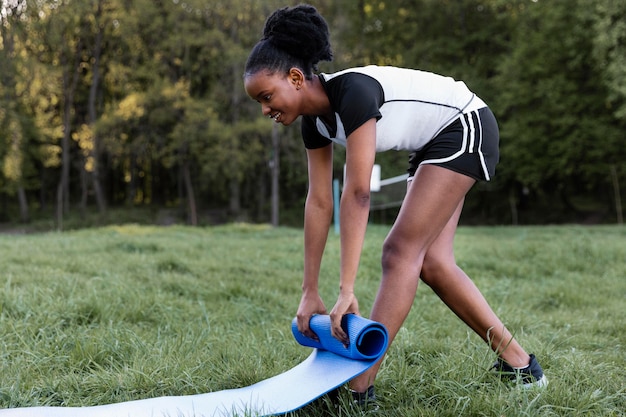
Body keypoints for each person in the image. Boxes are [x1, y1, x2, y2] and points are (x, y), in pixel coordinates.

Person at [243, 4, 547, 406]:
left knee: (400, 252)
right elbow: (319, 203)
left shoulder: (352, 92)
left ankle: (358, 389)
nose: (265, 110)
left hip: (464, 124)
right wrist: (309, 290)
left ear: (296, 78)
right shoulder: (313, 123)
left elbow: (358, 193)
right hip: (431, 144)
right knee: (433, 262)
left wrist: (346, 290)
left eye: (267, 96)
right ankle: (521, 365)